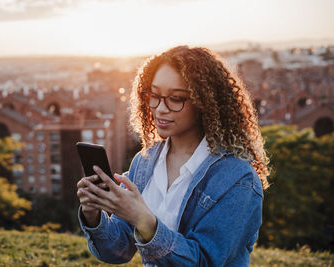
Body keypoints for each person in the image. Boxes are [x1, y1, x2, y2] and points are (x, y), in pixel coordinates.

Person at [76, 45, 270, 266]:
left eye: (176, 98)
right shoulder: (144, 162)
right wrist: (93, 214)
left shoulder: (238, 179)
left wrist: (144, 221)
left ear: (204, 102)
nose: (160, 108)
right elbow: (117, 250)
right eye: (154, 95)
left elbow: (204, 261)